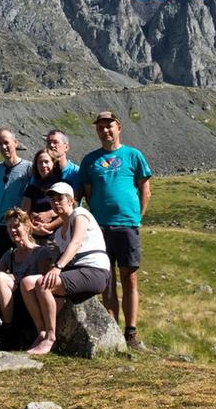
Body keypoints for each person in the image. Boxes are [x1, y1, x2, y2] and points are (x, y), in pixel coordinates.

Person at [80, 111, 152, 349]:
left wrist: (135, 218)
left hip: (127, 226)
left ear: (118, 127)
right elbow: (88, 193)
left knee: (129, 277)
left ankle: (130, 332)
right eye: (100, 127)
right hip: (100, 228)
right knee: (106, 279)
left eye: (109, 126)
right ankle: (112, 331)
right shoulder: (90, 160)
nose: (105, 131)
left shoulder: (133, 155)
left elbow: (145, 189)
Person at [20, 182, 110, 355]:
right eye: (52, 199)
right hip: (75, 273)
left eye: (60, 198)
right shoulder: (60, 232)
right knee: (27, 283)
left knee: (43, 284)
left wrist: (57, 268)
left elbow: (76, 243)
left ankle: (51, 339)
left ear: (71, 200)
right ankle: (42, 332)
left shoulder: (80, 214)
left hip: (95, 271)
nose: (56, 202)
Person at [0, 128, 32, 269]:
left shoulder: (29, 168)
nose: (3, 147)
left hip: (19, 226)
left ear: (15, 143)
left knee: (22, 266)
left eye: (6, 143)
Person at [0, 208, 49, 339]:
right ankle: (7, 329)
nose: (12, 230)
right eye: (9, 227)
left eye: (17, 226)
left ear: (27, 227)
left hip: (32, 300)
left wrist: (17, 278)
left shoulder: (41, 252)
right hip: (14, 301)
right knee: (0, 277)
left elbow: (43, 280)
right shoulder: (10, 254)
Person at [21, 149, 64, 244]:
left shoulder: (63, 186)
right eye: (40, 163)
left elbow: (68, 212)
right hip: (34, 238)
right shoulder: (31, 188)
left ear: (54, 164)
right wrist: (34, 229)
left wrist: (49, 225)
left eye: (46, 162)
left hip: (58, 238)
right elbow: (23, 215)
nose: (43, 165)